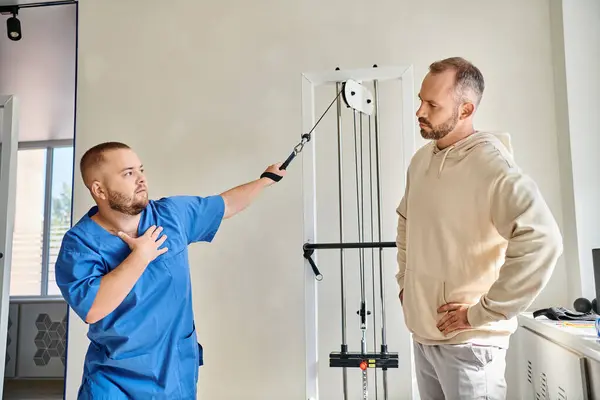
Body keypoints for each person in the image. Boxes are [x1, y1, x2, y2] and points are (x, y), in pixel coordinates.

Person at [55, 142, 285, 399]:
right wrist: (140, 256)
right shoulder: (80, 245)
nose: (141, 179)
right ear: (99, 189)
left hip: (175, 375)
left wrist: (264, 180)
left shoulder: (170, 215)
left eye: (141, 170)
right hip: (114, 380)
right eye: (128, 173)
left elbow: (226, 205)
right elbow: (93, 308)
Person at [395, 57, 563, 399]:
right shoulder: (421, 161)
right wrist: (405, 284)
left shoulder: (491, 165)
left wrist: (484, 312)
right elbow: (406, 222)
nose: (420, 112)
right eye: (420, 100)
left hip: (471, 345)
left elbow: (542, 239)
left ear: (466, 109)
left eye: (432, 105)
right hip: (425, 337)